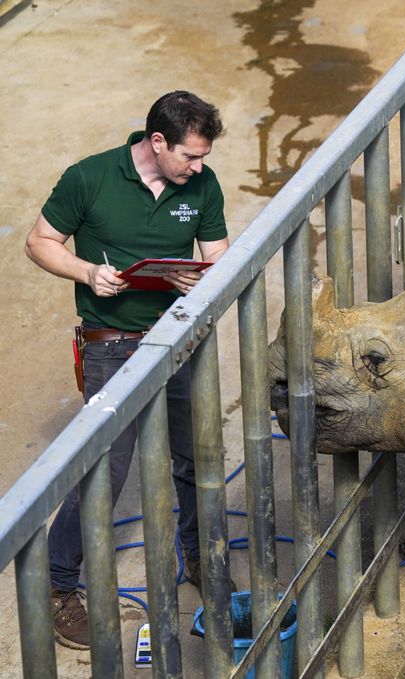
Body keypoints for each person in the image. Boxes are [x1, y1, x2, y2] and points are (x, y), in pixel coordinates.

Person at [24, 91, 231, 650]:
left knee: (196, 456)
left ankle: (199, 558)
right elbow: (39, 241)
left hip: (177, 341)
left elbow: (218, 255)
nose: (200, 167)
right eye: (190, 155)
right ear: (157, 142)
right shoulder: (88, 178)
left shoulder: (200, 185)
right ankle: (58, 584)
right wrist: (89, 272)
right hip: (110, 344)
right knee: (105, 471)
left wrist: (201, 278)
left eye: (204, 156)